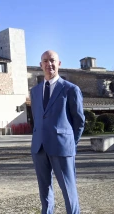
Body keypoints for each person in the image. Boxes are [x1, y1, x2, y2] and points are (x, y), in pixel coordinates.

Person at [30, 50, 85, 214]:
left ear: (59, 63)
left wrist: (70, 144)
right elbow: (38, 118)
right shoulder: (34, 91)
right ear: (41, 65)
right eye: (45, 61)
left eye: (52, 60)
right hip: (39, 148)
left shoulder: (70, 89)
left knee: (69, 190)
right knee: (44, 192)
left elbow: (79, 121)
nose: (49, 64)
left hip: (62, 148)